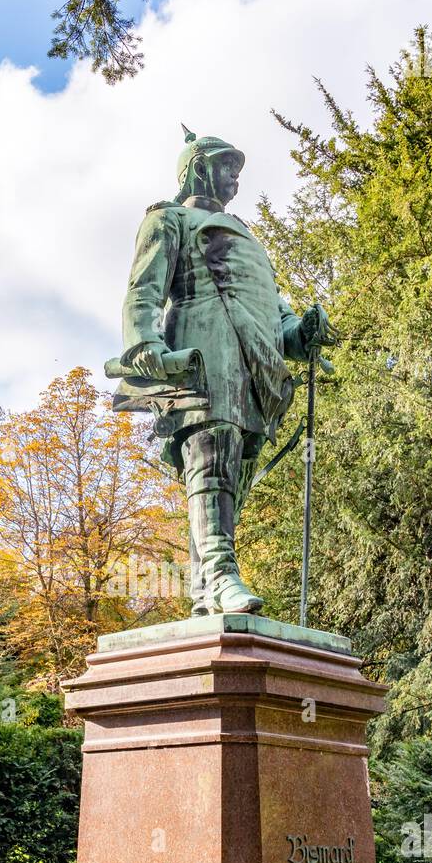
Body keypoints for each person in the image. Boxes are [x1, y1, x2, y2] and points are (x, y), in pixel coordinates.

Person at [109, 126, 332, 614]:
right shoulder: (168, 220)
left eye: (237, 169)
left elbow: (277, 313)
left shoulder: (250, 239)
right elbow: (143, 291)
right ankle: (222, 572)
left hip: (256, 367)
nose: (235, 178)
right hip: (202, 348)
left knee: (232, 473)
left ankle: (203, 592)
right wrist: (143, 344)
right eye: (226, 166)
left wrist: (304, 333)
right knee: (211, 454)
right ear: (197, 168)